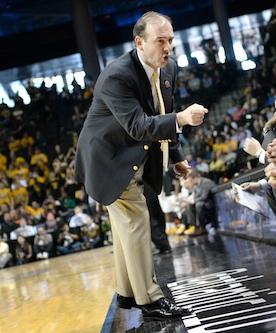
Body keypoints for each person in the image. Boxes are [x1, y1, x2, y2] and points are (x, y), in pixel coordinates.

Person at [75, 11, 207, 320]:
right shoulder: (116, 75)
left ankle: (125, 293)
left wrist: (177, 157)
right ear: (139, 42)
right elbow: (138, 125)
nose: (167, 48)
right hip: (108, 160)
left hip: (132, 155)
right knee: (136, 224)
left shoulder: (168, 68)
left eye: (170, 40)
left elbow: (163, 111)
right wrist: (181, 119)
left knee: (125, 230)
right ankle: (150, 300)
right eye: (160, 41)